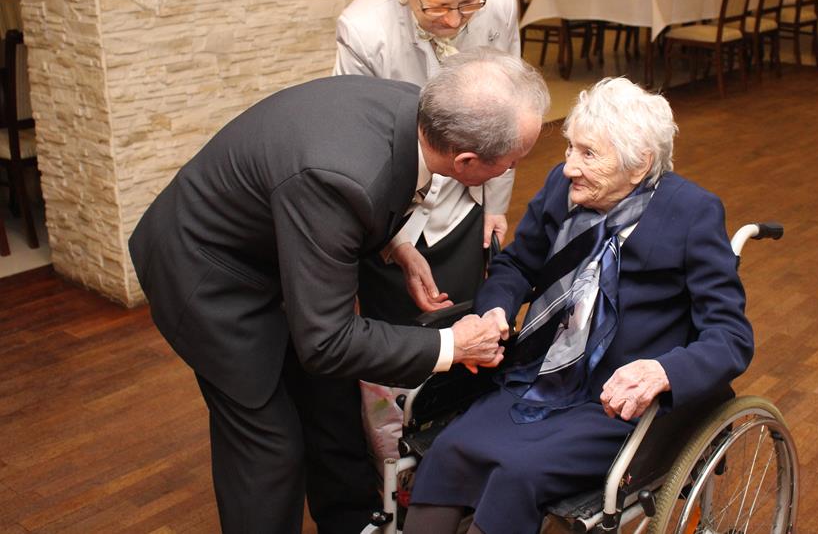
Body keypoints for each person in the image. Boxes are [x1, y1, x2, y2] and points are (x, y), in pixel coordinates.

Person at [128, 48, 550, 534]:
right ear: (467, 160)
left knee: (328, 401)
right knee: (269, 444)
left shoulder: (419, 113)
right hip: (205, 274)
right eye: (512, 161)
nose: (511, 170)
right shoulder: (339, 177)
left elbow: (353, 201)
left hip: (274, 254)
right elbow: (326, 341)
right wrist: (453, 345)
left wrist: (396, 246)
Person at [403, 78, 754, 534]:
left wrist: (662, 372)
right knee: (451, 450)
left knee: (517, 475)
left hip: (616, 402)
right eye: (570, 147)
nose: (569, 167)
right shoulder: (561, 187)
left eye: (588, 154)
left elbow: (730, 337)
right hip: (535, 379)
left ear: (640, 164)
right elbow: (517, 264)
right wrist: (495, 309)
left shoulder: (691, 213)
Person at [334, 0, 521, 322]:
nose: (454, 20)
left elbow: (506, 112)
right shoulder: (364, 29)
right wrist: (396, 243)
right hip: (391, 208)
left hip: (468, 196)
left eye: (467, 4)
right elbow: (356, 147)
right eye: (438, 7)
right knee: (395, 329)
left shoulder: (499, 3)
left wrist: (496, 204)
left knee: (468, 319)